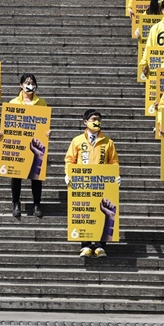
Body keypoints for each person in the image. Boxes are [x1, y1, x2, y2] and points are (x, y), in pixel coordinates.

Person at [65, 109, 120, 258]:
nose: (96, 122)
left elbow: (113, 161)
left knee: (103, 211)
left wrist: (115, 176)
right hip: (83, 182)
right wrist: (69, 174)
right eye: (93, 119)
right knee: (84, 212)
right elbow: (70, 159)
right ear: (85, 122)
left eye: (98, 119)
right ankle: (86, 245)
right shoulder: (77, 141)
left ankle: (101, 245)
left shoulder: (108, 142)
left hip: (102, 182)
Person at [6, 73, 50, 218]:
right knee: (16, 175)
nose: (29, 85)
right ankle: (16, 203)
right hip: (19, 143)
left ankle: (37, 204)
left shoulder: (41, 102)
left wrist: (47, 133)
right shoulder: (13, 103)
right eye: (26, 82)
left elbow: (44, 123)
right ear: (21, 85)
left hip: (36, 143)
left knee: (36, 176)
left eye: (32, 82)